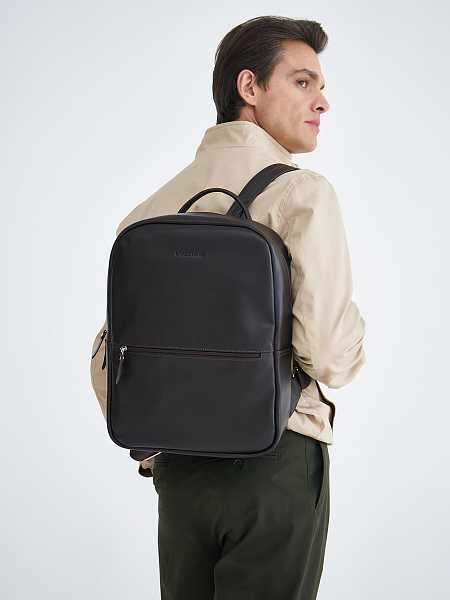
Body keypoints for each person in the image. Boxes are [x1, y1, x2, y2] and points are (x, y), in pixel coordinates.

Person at [90, 15, 366, 600]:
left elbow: (110, 359)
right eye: (303, 82)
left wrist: (163, 448)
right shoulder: (302, 193)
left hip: (180, 474)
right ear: (249, 87)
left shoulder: (149, 213)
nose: (323, 101)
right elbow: (327, 355)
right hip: (276, 463)